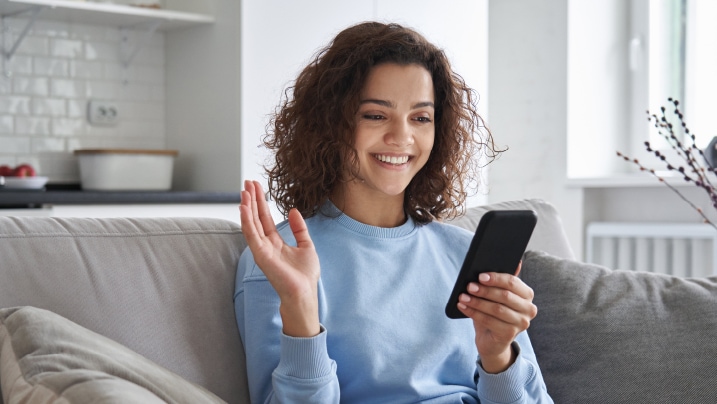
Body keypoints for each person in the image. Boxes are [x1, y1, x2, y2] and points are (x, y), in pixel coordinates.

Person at [234, 21, 553, 403]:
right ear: (331, 124)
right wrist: (301, 309)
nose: (401, 137)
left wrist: (498, 356)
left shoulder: (464, 252)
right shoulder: (279, 260)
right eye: (375, 115)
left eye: (421, 118)